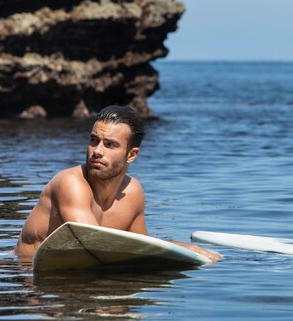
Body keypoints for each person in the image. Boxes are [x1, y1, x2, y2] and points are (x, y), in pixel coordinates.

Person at [14, 105, 220, 262]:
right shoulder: (70, 183)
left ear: (131, 155)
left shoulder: (132, 193)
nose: (97, 151)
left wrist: (190, 252)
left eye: (110, 144)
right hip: (33, 281)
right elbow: (93, 242)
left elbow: (142, 246)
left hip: (85, 274)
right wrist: (177, 247)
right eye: (94, 140)